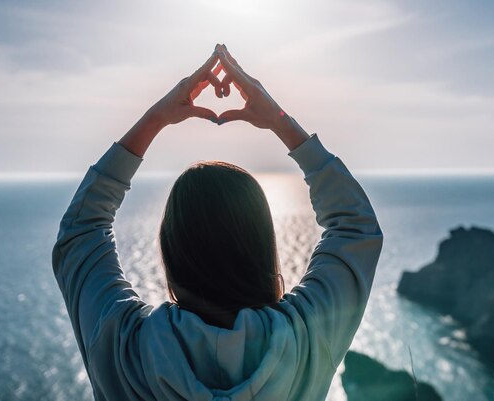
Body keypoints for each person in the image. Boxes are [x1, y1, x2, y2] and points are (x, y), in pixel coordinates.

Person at [52, 44, 383, 401]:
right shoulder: (304, 337)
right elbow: (355, 226)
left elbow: (83, 229)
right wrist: (278, 119)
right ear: (262, 249)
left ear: (171, 252)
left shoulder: (126, 347)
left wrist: (156, 117)